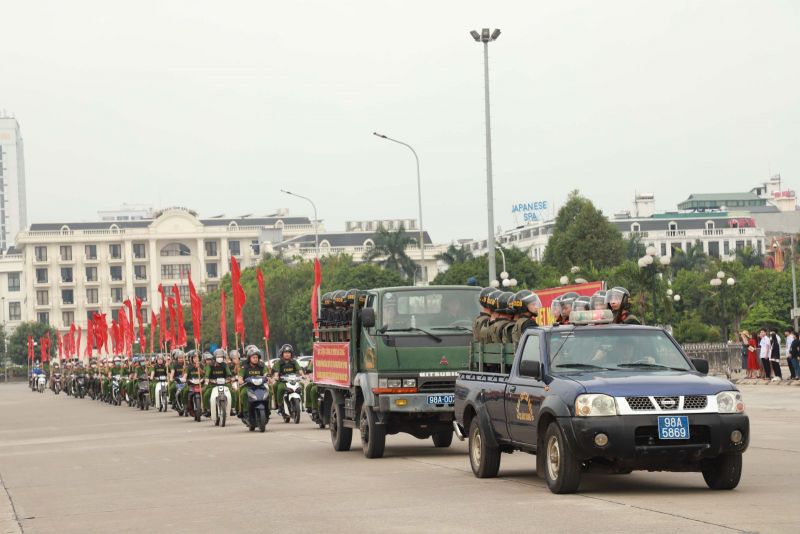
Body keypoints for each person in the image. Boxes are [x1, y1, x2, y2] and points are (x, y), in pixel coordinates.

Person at [271, 344, 304, 415]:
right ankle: (279, 405)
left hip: (294, 381)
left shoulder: (294, 362)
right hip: (283, 382)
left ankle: (302, 403)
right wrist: (276, 376)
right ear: (282, 354)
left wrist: (302, 375)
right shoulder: (279, 363)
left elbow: (299, 370)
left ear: (291, 354)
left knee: (302, 385)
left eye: (288, 353)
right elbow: (276, 372)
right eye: (285, 353)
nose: (287, 354)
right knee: (279, 388)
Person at [238, 346, 270, 418]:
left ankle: (267, 410)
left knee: (269, 392)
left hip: (260, 386)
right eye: (253, 357)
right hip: (248, 386)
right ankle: (246, 411)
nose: (255, 359)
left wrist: (268, 377)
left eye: (256, 357)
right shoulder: (245, 367)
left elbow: (265, 373)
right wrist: (240, 380)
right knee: (243, 393)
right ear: (249, 358)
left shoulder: (262, 365)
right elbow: (240, 376)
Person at [202, 349, 234, 416]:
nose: (220, 358)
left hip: (224, 383)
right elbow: (207, 374)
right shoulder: (210, 365)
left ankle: (231, 408)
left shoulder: (225, 365)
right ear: (215, 357)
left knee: (233, 392)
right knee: (206, 393)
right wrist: (207, 379)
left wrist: (230, 378)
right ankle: (208, 409)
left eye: (221, 357)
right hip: (212, 384)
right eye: (218, 357)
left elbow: (229, 373)